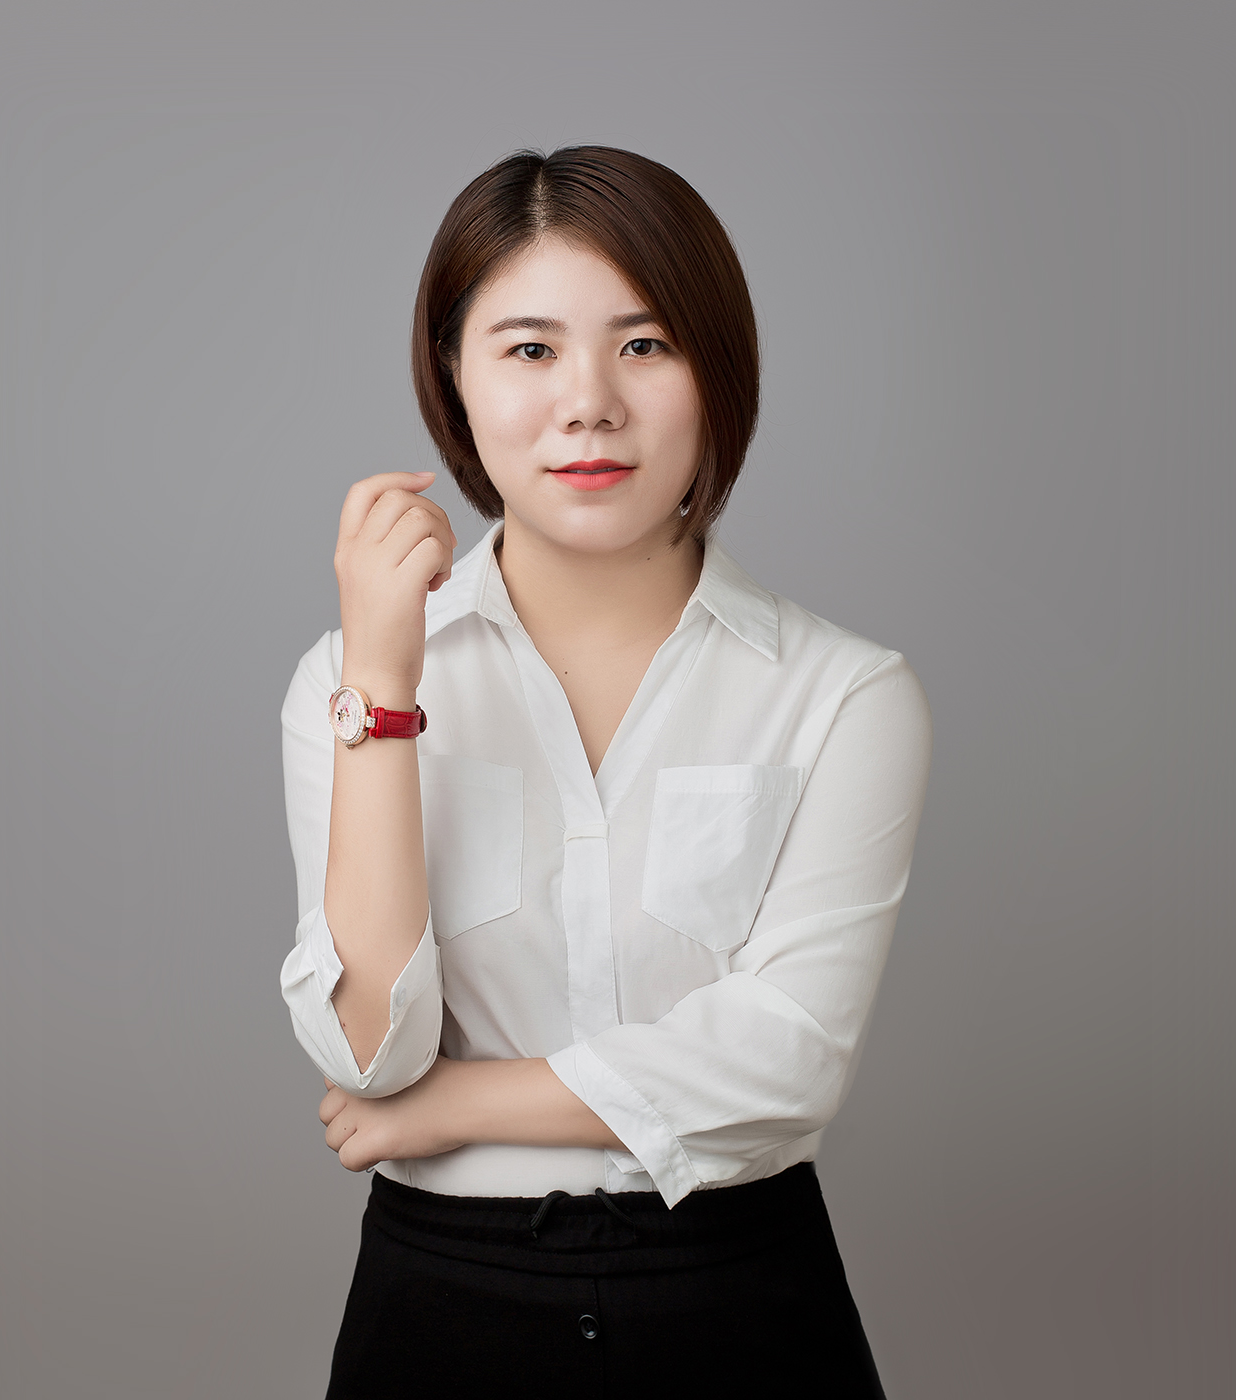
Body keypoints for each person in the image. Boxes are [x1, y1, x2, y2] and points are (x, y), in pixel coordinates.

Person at [279, 146, 931, 1396]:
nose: (587, 403)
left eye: (644, 344)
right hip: (440, 1303)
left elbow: (786, 1057)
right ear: (454, 377)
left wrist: (452, 1107)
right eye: (528, 348)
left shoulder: (842, 693)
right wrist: (384, 685)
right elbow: (367, 1054)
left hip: (743, 1298)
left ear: (716, 371)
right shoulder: (345, 681)